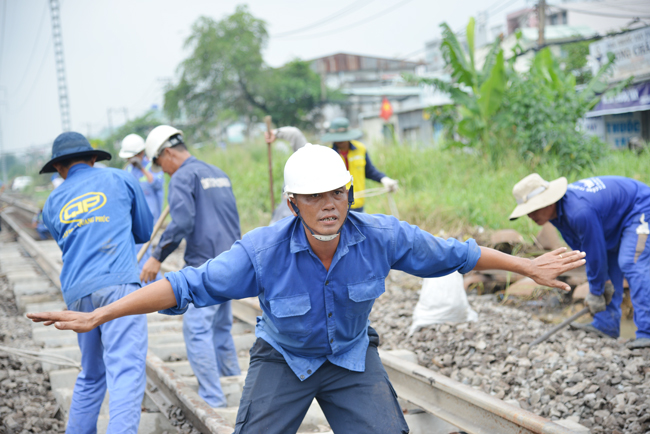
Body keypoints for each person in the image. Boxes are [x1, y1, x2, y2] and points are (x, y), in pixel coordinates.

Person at [28, 144, 585, 434]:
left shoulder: (381, 236)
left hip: (349, 358)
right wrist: (103, 316)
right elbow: (186, 285)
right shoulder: (262, 251)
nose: (329, 207)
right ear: (293, 204)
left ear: (349, 193)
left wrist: (528, 268)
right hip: (284, 359)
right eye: (314, 198)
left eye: (337, 194)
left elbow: (455, 253)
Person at [38, 132, 154, 433]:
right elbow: (144, 231)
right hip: (118, 288)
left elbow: (69, 245)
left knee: (91, 374)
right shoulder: (121, 179)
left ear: (60, 168)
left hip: (77, 294)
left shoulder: (52, 202)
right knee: (125, 371)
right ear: (93, 159)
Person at [139, 125, 242, 408]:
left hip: (205, 267)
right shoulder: (216, 172)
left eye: (159, 164)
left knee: (197, 331)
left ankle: (213, 399)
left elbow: (182, 222)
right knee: (220, 329)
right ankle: (233, 383)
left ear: (167, 153)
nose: (163, 171)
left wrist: (156, 256)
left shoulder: (183, 176)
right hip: (232, 262)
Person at [509, 174, 650, 349]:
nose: (530, 215)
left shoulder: (578, 212)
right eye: (527, 211)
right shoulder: (557, 215)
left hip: (640, 208)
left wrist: (596, 291)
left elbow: (594, 252)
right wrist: (602, 284)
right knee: (610, 267)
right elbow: (587, 251)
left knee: (631, 262)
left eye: (534, 209)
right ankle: (606, 324)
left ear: (549, 201)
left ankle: (647, 332)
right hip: (614, 221)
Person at [267, 118, 398, 212]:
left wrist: (384, 179)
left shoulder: (361, 149)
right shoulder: (327, 156)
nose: (340, 141)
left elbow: (369, 171)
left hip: (357, 204)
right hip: (336, 206)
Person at [119, 133, 165, 280]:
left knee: (145, 254)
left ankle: (151, 286)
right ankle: (148, 285)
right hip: (134, 220)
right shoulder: (127, 171)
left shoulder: (153, 166)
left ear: (140, 153)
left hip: (152, 219)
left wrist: (143, 169)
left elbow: (158, 184)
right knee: (140, 253)